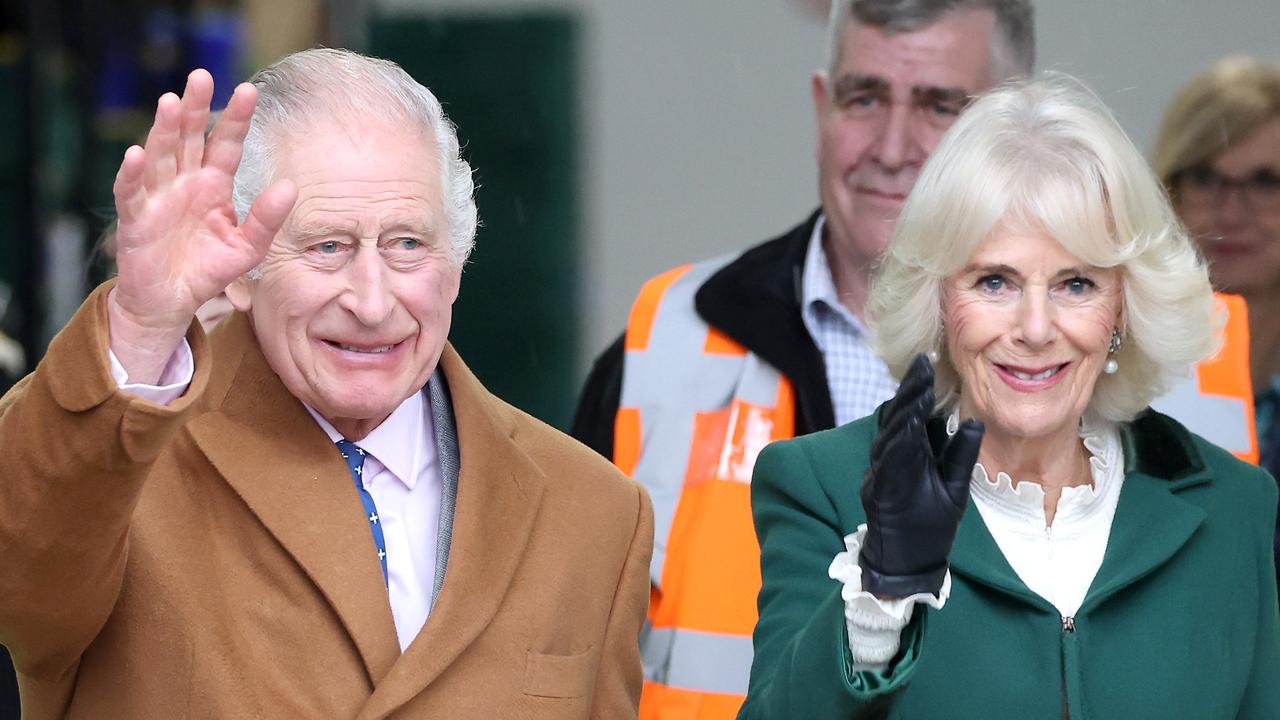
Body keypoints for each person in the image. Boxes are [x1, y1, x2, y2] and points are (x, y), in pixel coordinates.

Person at [0, 49, 653, 718]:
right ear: (241, 270)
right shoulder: (122, 467)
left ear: (456, 264)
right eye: (327, 246)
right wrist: (140, 327)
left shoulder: (594, 513)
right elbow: (20, 585)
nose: (371, 302)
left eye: (407, 244)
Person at [742, 76, 1280, 718]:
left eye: (1076, 283)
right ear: (938, 299)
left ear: (1125, 308)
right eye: (994, 281)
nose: (1033, 328)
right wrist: (880, 599)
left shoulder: (1233, 507)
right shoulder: (821, 485)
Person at [573, 0, 1034, 714]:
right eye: (865, 96)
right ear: (822, 104)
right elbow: (568, 648)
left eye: (940, 106)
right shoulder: (666, 338)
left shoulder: (1100, 364)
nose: (891, 146)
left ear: (1016, 125)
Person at [1152, 56, 1280, 583]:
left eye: (1266, 181)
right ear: (1169, 194)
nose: (1230, 212)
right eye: (1206, 178)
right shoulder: (1114, 372)